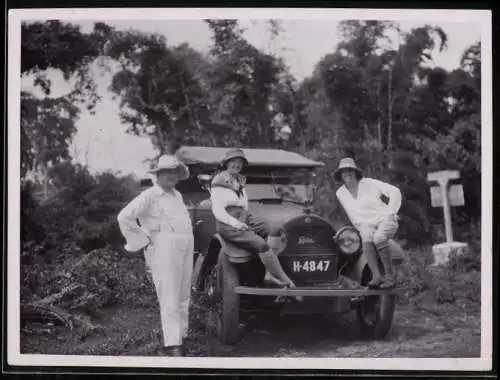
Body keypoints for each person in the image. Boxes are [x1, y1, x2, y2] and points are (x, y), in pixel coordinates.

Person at [117, 155, 194, 356]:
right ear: (157, 176)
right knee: (169, 293)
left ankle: (182, 335)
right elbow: (124, 217)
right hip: (164, 245)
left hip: (184, 243)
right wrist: (143, 239)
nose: (171, 176)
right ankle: (172, 344)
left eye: (174, 172)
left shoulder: (177, 195)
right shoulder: (150, 195)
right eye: (166, 172)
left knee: (184, 291)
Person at [209, 148, 297, 290]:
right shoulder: (219, 181)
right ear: (226, 163)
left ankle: (269, 271)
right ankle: (285, 280)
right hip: (228, 223)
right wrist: (237, 224)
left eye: (239, 162)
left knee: (273, 229)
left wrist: (250, 219)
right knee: (261, 245)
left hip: (244, 215)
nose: (237, 165)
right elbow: (217, 211)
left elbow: (244, 205)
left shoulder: (240, 180)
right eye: (233, 162)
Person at [334, 157, 402, 289]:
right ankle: (376, 277)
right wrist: (362, 229)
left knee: (378, 237)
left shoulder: (369, 183)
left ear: (355, 172)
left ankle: (390, 277)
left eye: (350, 170)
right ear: (340, 175)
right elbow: (352, 213)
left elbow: (395, 191)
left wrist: (391, 212)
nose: (347, 174)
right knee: (365, 237)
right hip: (367, 225)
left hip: (384, 219)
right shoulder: (340, 193)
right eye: (344, 171)